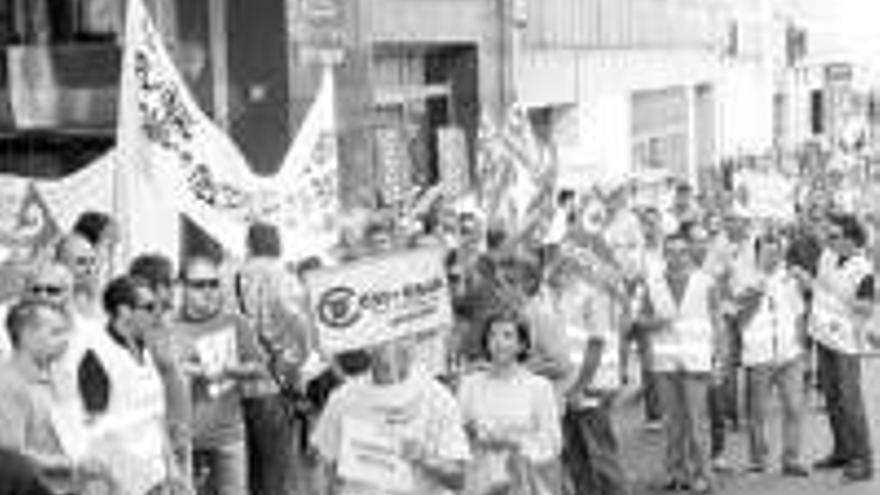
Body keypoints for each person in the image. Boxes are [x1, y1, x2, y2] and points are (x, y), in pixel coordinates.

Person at [311, 337, 471, 495]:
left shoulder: (438, 397)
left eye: (405, 338)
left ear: (415, 343)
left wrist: (425, 458)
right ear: (369, 346)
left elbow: (458, 479)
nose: (396, 346)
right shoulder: (343, 398)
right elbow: (323, 465)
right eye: (387, 337)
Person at [177, 255, 267, 495]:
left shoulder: (235, 321)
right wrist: (185, 370)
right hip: (185, 441)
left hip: (229, 436)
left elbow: (259, 368)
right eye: (199, 285)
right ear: (182, 287)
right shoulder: (170, 325)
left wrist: (224, 369)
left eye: (213, 283)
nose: (208, 290)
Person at [83, 275, 180, 495]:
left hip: (155, 477)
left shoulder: (144, 349)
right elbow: (93, 433)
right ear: (124, 311)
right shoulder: (97, 356)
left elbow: (155, 415)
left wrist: (171, 466)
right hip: (122, 483)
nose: (157, 313)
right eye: (148, 307)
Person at [640, 231, 722, 493]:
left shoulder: (706, 282)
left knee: (697, 424)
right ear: (664, 254)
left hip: (697, 362)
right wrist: (655, 322)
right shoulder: (653, 284)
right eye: (671, 252)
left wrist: (718, 359)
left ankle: (704, 476)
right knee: (672, 423)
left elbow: (717, 323)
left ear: (689, 254)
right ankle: (675, 473)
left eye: (681, 252)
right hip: (666, 364)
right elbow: (639, 320)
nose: (676, 257)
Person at [0, 300, 107, 494]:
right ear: (27, 336)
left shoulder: (60, 376)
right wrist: (71, 463)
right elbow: (11, 456)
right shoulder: (8, 384)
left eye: (66, 332)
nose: (66, 339)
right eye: (55, 332)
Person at [233, 222, 309, 495]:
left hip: (237, 384)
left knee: (248, 472)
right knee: (277, 470)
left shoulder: (230, 274)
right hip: (273, 382)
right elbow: (298, 322)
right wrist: (296, 363)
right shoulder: (281, 274)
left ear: (249, 243)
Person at [802, 214, 874, 482]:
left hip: (846, 342)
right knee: (832, 398)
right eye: (828, 235)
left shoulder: (863, 268)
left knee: (851, 402)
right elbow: (819, 287)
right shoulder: (827, 256)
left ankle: (863, 460)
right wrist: (812, 285)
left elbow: (866, 307)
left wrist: (832, 294)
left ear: (850, 238)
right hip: (824, 337)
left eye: (834, 236)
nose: (828, 240)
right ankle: (842, 450)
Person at [458, 313, 562, 495]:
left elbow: (553, 443)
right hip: (480, 481)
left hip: (523, 481)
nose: (498, 342)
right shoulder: (470, 384)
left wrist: (514, 444)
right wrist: (471, 435)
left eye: (507, 336)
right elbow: (456, 434)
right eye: (493, 335)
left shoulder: (539, 387)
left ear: (521, 345)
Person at [551, 254, 628, 495]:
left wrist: (579, 387)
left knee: (602, 458)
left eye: (565, 264)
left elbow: (596, 344)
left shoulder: (592, 295)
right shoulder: (560, 297)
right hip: (571, 387)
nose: (557, 270)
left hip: (591, 386)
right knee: (576, 457)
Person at [740, 233, 809, 476]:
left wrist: (801, 347)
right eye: (767, 253)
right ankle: (758, 460)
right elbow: (740, 320)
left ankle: (791, 459)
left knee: (794, 407)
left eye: (776, 253)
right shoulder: (745, 279)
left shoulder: (789, 279)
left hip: (790, 356)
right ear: (757, 254)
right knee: (758, 411)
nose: (772, 258)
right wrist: (754, 295)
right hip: (759, 356)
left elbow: (799, 313)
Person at [129, 254, 193, 479]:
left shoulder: (165, 324)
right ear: (156, 288)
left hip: (181, 428)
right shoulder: (144, 332)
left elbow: (176, 369)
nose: (174, 289)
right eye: (170, 283)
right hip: (161, 434)